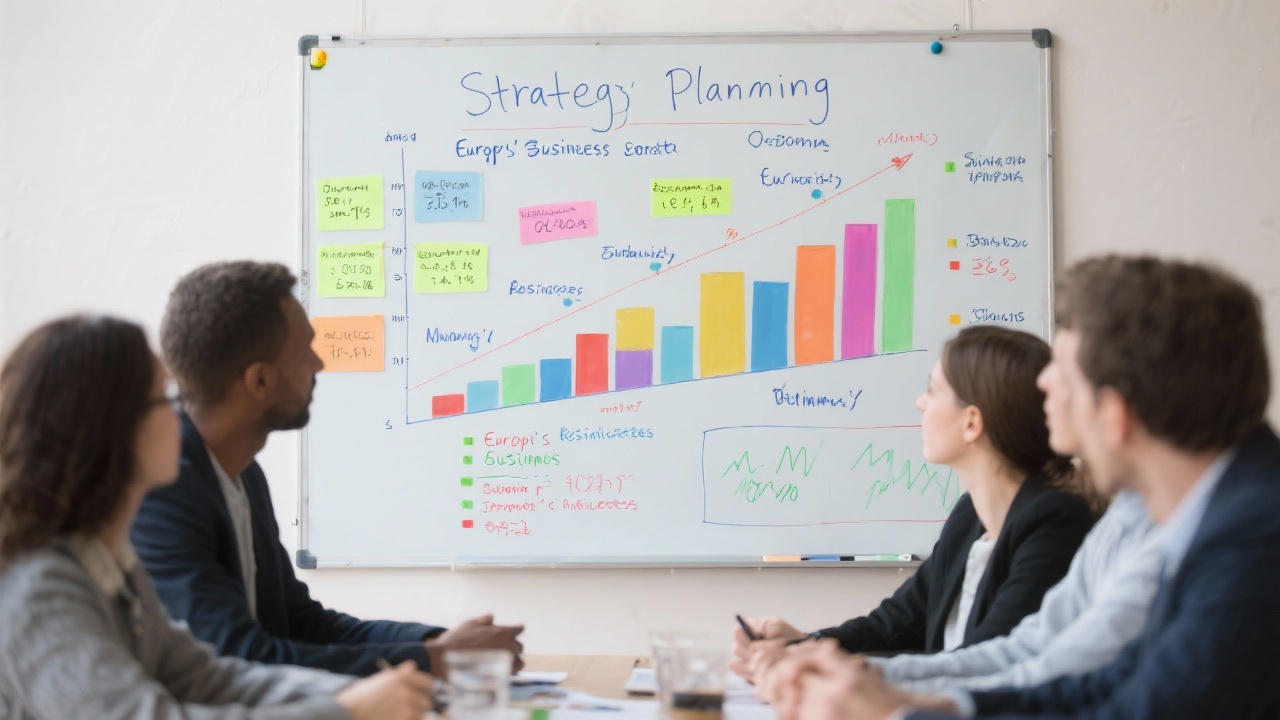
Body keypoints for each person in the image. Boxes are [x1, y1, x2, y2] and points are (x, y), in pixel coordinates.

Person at [764, 255, 1280, 719]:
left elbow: (1129, 707)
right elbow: (1077, 677)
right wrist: (899, 697)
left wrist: (900, 712)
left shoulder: (1253, 540)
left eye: (1064, 378)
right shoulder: (1173, 513)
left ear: (1115, 416)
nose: (1045, 387)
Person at [0, 315, 437, 720]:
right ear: (112, 428)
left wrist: (349, 695)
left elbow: (210, 680)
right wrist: (346, 712)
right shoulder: (42, 589)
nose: (180, 412)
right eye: (165, 398)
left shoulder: (111, 566)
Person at [131, 261, 523, 677]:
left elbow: (300, 623)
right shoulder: (162, 489)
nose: (319, 364)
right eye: (305, 353)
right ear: (259, 381)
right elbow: (237, 656)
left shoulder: (241, 471)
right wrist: (438, 660)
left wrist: (434, 644)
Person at [733, 326, 1096, 680]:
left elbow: (985, 664)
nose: (919, 402)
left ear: (972, 423)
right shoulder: (969, 518)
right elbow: (892, 627)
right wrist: (801, 646)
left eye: (933, 390)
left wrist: (815, 663)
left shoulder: (1055, 524)